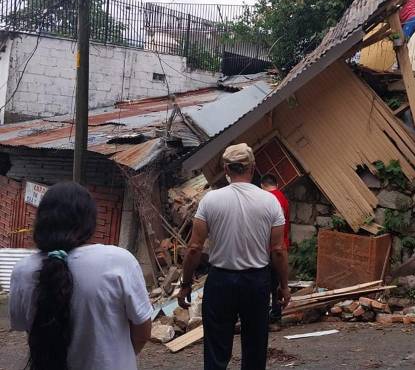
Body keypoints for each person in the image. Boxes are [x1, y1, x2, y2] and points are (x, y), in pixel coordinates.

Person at [10, 182, 152, 370]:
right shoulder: (118, 261)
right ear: (89, 222)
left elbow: (28, 328)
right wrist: (116, 356)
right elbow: (142, 331)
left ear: (42, 221)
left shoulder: (23, 271)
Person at [178, 143, 290, 370]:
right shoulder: (270, 202)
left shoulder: (211, 200)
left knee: (216, 350)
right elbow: (278, 249)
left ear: (226, 169)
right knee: (255, 348)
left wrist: (186, 284)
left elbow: (194, 248)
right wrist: (284, 286)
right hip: (256, 281)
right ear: (253, 167)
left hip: (220, 281)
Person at [260, 173, 291, 324]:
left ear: (262, 186)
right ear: (277, 184)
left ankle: (265, 316)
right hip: (282, 245)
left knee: (266, 284)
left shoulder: (266, 200)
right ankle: (276, 314)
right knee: (276, 283)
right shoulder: (283, 198)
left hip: (268, 248)